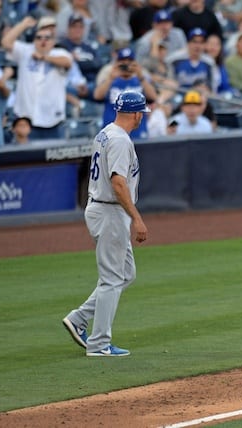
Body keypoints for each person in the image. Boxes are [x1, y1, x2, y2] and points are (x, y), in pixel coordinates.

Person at [62, 90, 149, 357]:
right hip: (110, 211)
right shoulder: (121, 140)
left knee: (125, 274)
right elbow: (118, 182)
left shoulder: (106, 132)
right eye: (141, 114)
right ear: (135, 114)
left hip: (105, 209)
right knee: (112, 278)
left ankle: (79, 318)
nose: (141, 118)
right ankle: (99, 344)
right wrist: (137, 218)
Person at [1, 15, 73, 139]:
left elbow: (67, 62)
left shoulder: (59, 53)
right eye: (39, 38)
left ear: (53, 41)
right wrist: (23, 24)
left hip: (52, 121)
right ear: (34, 40)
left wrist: (44, 57)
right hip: (27, 121)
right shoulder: (26, 51)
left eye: (47, 38)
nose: (43, 41)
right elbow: (5, 42)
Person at [93, 46, 158, 140]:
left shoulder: (140, 80)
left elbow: (153, 96)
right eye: (123, 62)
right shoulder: (111, 80)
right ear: (117, 63)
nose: (127, 65)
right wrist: (111, 77)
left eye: (130, 62)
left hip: (137, 132)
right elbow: (97, 96)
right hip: (113, 133)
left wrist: (141, 76)